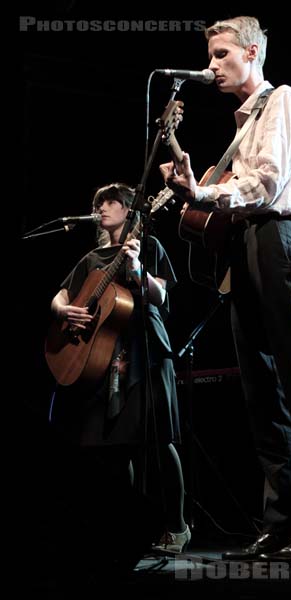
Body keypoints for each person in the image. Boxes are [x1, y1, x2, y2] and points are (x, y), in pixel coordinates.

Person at [159, 16, 291, 562]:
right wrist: (196, 191)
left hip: (279, 238)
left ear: (250, 52)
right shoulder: (243, 124)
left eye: (221, 55)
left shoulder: (283, 99)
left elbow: (266, 183)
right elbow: (233, 193)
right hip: (245, 245)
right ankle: (281, 524)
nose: (212, 66)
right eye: (210, 56)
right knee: (262, 391)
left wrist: (203, 192)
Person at [48, 183, 190, 564]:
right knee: (113, 446)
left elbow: (160, 295)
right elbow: (60, 295)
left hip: (145, 351)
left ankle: (177, 526)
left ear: (129, 210)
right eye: (97, 203)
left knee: (160, 439)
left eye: (109, 202)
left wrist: (137, 268)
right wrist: (63, 311)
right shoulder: (92, 258)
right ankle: (120, 529)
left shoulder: (149, 247)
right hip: (102, 355)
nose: (101, 208)